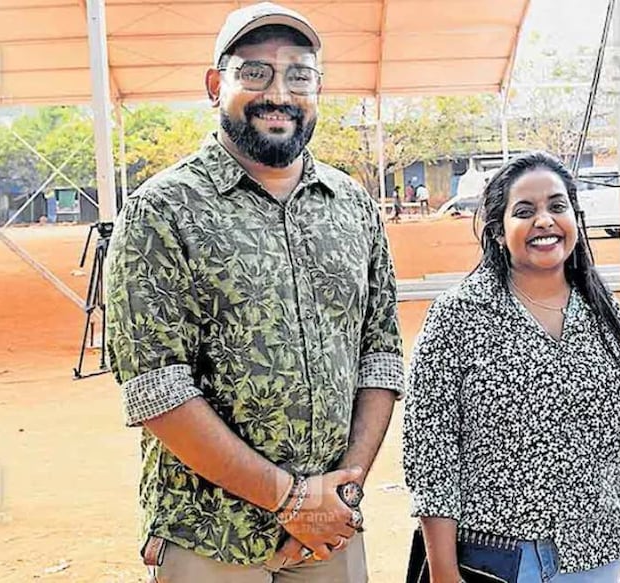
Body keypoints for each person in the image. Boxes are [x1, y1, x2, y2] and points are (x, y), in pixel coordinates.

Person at [104, 4, 403, 582]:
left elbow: (381, 356)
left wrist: (342, 491)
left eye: (298, 74)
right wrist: (292, 500)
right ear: (217, 85)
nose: (279, 92)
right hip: (210, 535)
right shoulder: (162, 211)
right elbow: (157, 391)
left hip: (330, 535)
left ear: (318, 88)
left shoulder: (354, 209)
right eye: (256, 72)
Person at [403, 151, 620, 583]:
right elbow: (431, 454)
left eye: (557, 206)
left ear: (575, 217)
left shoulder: (606, 317)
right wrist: (442, 572)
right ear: (498, 232)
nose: (545, 221)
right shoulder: (458, 317)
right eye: (525, 211)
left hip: (599, 558)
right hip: (498, 561)